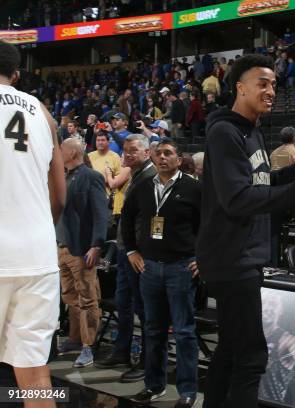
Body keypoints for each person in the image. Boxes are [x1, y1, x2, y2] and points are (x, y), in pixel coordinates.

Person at [197, 54, 295, 408]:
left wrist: (293, 174)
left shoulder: (252, 130)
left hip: (239, 257)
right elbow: (238, 200)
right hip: (231, 258)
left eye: (273, 83)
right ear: (239, 87)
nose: (271, 90)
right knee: (252, 355)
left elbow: (257, 183)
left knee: (228, 349)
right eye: (263, 83)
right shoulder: (225, 131)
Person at [0, 39, 66, 408]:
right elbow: (59, 196)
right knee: (37, 375)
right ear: (17, 74)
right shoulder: (43, 112)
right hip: (38, 255)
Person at [122, 139, 200, 407]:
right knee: (152, 330)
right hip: (150, 268)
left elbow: (209, 225)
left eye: (168, 154)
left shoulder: (193, 188)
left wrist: (201, 257)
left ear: (179, 159)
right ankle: (153, 386)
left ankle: (187, 391)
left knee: (184, 331)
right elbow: (127, 218)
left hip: (181, 268)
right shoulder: (143, 186)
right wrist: (131, 250)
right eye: (159, 153)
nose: (162, 157)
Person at [94, 134, 156, 383]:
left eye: (133, 151)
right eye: (125, 151)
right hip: (125, 250)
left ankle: (146, 362)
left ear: (146, 152)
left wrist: (137, 251)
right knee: (124, 304)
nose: (127, 155)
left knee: (145, 309)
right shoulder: (138, 174)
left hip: (138, 255)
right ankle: (122, 351)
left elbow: (151, 221)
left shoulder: (151, 177)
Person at [56, 138, 108, 368]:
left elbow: (100, 214)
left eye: (61, 149)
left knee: (87, 299)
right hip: (61, 247)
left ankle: (88, 347)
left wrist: (97, 244)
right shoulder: (61, 176)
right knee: (69, 297)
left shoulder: (91, 177)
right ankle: (75, 338)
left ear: (73, 153)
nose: (58, 152)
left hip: (81, 249)